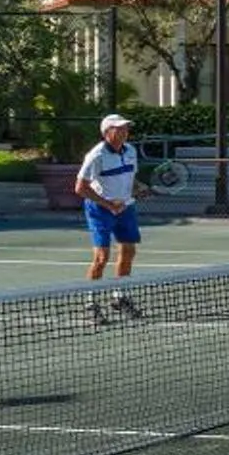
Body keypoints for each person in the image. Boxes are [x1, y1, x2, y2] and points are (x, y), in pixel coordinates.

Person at [76, 113, 145, 320]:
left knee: (128, 252)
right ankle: (91, 302)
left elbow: (130, 179)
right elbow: (80, 188)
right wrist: (108, 204)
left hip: (126, 208)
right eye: (119, 128)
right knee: (101, 257)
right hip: (100, 209)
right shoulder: (96, 156)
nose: (124, 132)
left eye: (126, 128)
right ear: (107, 133)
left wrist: (137, 189)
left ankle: (120, 296)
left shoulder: (131, 151)